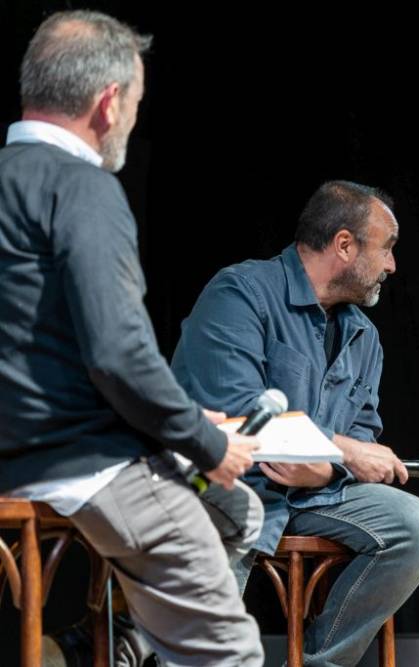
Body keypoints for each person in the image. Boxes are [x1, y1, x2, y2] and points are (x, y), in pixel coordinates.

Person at [0, 10, 264, 666]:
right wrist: (206, 442)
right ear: (108, 101)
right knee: (231, 652)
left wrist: (175, 423)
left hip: (26, 448)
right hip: (77, 465)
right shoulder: (83, 188)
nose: (133, 119)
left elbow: (43, 347)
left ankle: (122, 643)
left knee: (237, 513)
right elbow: (117, 352)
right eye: (138, 103)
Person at [170, 180, 419, 666]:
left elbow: (360, 439)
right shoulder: (241, 292)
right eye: (387, 249)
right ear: (344, 245)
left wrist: (326, 466)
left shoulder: (363, 336)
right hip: (226, 484)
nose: (392, 265)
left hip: (313, 493)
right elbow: (237, 416)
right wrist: (339, 452)